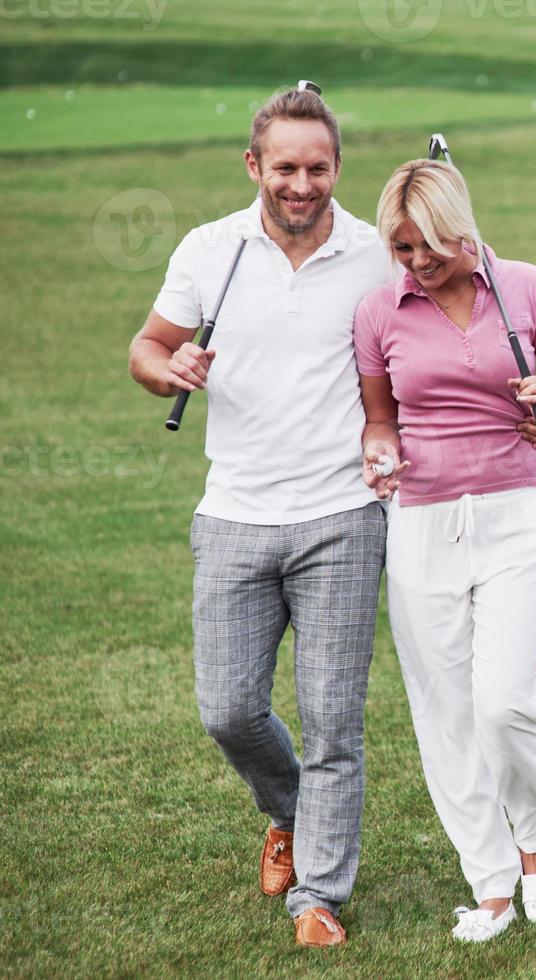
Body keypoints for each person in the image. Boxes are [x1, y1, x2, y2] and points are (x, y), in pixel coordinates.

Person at [126, 86, 394, 947]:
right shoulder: (212, 250)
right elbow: (146, 346)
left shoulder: (375, 253)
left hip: (344, 516)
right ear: (254, 166)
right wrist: (170, 373)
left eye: (318, 167)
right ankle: (288, 811)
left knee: (332, 720)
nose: (302, 183)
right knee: (228, 709)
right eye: (285, 167)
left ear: (337, 167)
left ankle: (316, 894)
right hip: (235, 513)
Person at [352, 158, 536, 943]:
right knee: (444, 711)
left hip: (517, 512)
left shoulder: (524, 287)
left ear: (461, 228)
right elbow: (380, 417)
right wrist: (379, 450)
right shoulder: (379, 310)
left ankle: (534, 841)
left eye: (427, 246)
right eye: (400, 248)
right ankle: (488, 882)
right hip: (421, 523)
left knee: (503, 702)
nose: (415, 262)